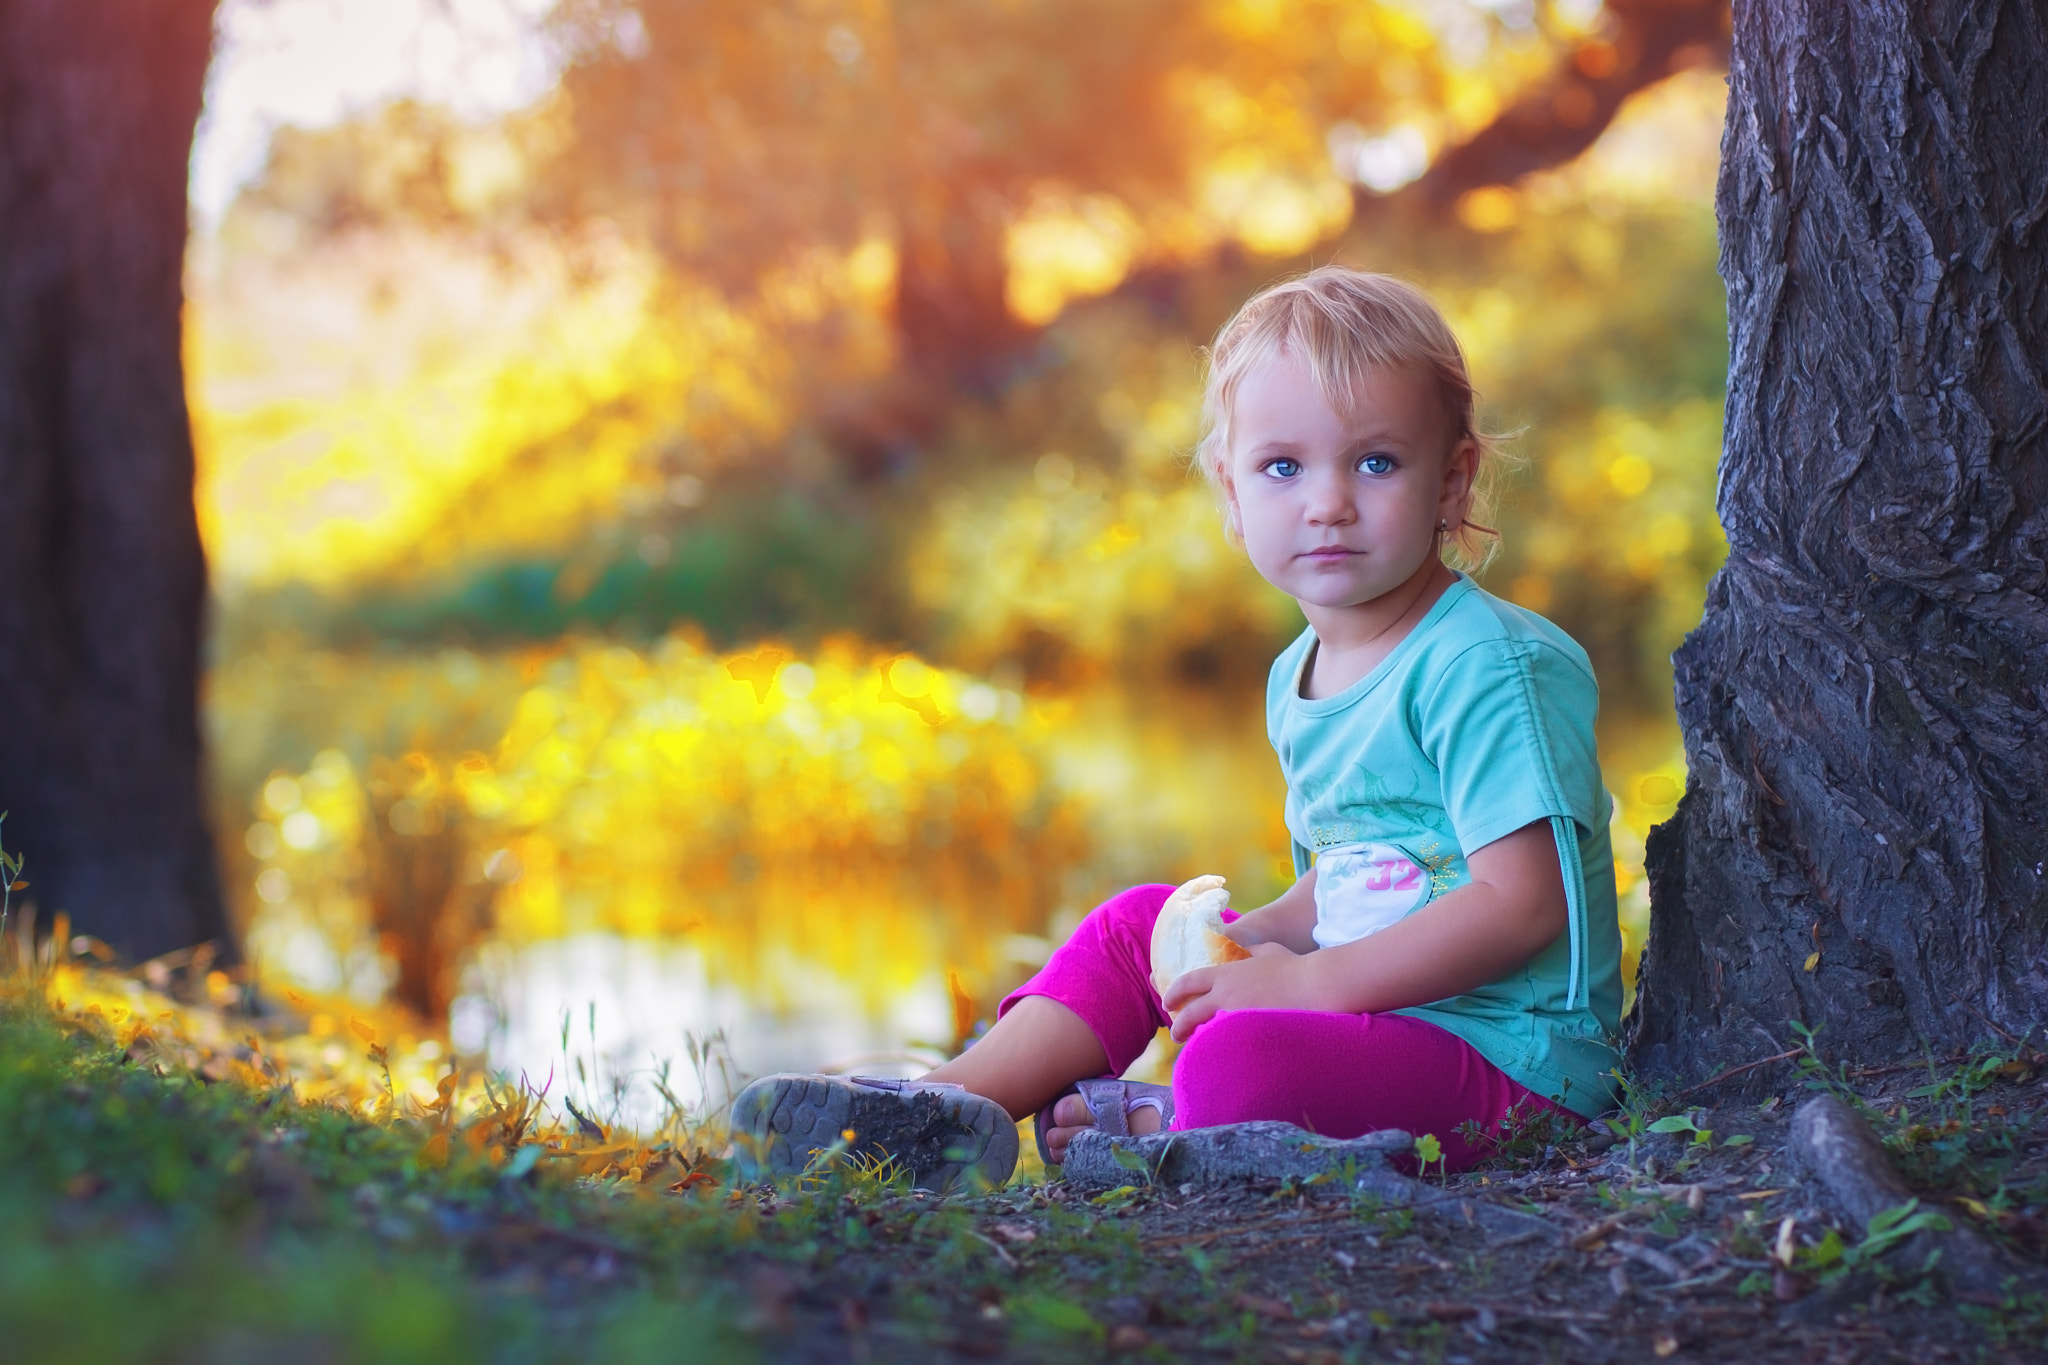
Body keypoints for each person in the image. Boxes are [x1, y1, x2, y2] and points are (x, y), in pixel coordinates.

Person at [731, 266, 1622, 1192]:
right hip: (1378, 1023)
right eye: (1284, 467)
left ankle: (1170, 1120)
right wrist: (1264, 940)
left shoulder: (1484, 666)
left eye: (1376, 461)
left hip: (1509, 1063)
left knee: (1238, 1059)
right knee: (1136, 927)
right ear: (1232, 496)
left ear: (1452, 478)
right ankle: (932, 1114)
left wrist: (1306, 986)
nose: (1328, 502)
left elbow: (1520, 904)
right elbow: (1365, 868)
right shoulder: (1299, 674)